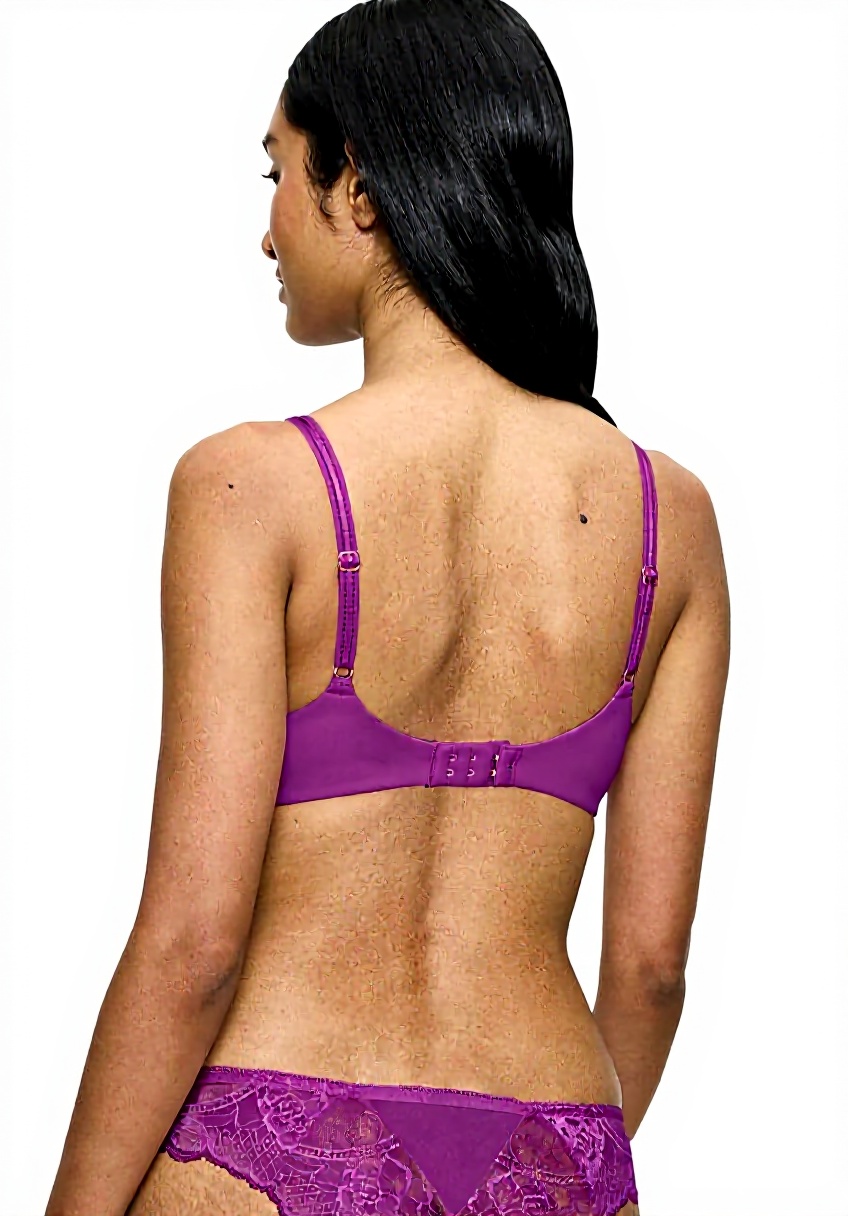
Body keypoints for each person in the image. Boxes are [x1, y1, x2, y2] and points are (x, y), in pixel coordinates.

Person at [45, 3, 729, 1215]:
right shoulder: (666, 519)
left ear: (356, 187)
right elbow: (649, 967)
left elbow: (193, 944)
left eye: (275, 172)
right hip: (551, 1142)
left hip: (275, 1128)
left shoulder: (251, 487)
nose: (265, 225)